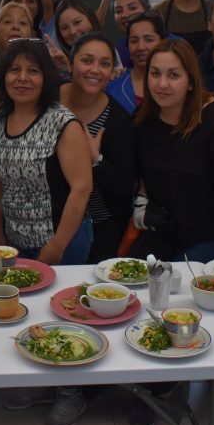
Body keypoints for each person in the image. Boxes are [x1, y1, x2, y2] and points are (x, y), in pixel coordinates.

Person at [0, 38, 93, 425]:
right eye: (14, 70)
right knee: (27, 315)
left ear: (46, 77)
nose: (22, 78)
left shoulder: (62, 122)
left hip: (60, 240)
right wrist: (0, 234)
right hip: (15, 242)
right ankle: (37, 383)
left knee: (64, 316)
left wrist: (56, 246)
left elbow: (82, 187)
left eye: (32, 70)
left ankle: (71, 394)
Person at [132, 39, 214, 262]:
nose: (162, 84)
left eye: (173, 75)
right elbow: (142, 167)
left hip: (210, 237)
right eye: (155, 74)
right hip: (163, 233)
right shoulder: (143, 119)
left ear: (191, 82)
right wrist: (141, 203)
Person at [60, 33, 136, 262]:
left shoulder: (118, 119)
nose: (95, 70)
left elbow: (125, 189)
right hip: (45, 219)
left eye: (105, 64)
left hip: (98, 227)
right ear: (71, 64)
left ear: (112, 71)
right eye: (87, 60)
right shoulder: (48, 100)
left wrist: (96, 159)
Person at [106, 12, 166, 114]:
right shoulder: (113, 87)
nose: (140, 47)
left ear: (163, 42)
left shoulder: (176, 85)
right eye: (134, 41)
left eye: (149, 40)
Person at [110, 0, 151, 67]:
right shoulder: (118, 52)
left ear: (147, 10)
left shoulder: (171, 43)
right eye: (118, 11)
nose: (125, 15)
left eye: (132, 8)